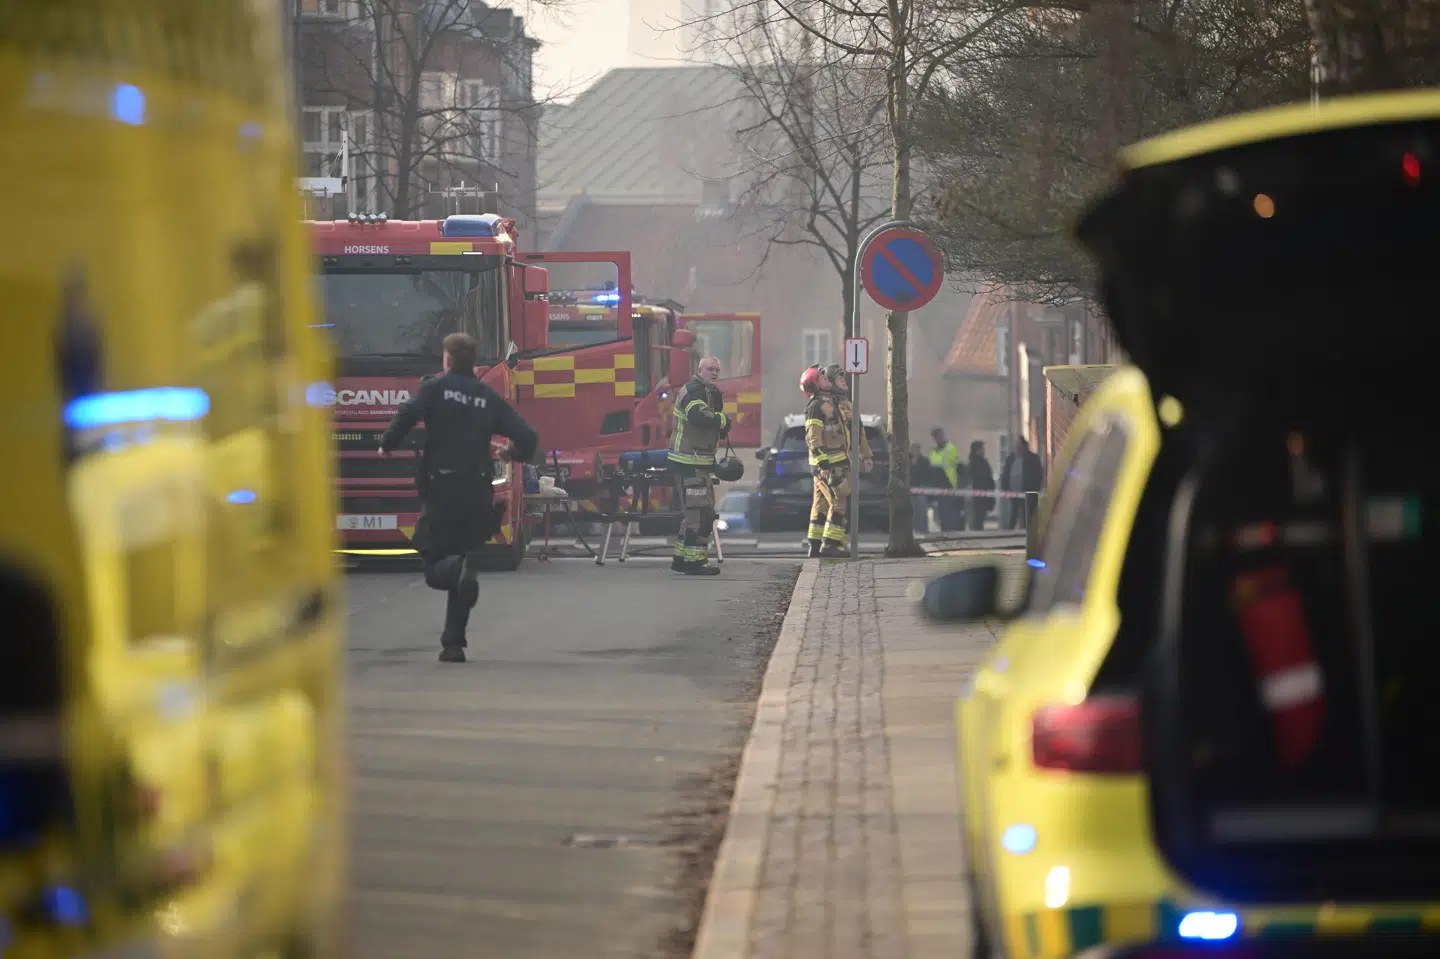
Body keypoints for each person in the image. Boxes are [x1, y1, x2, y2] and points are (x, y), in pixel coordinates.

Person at [378, 332, 539, 663]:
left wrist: (387, 444)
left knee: (436, 562)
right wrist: (511, 453)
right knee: (463, 559)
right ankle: (453, 644)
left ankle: (456, 572)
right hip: (478, 492)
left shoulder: (434, 388)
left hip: (443, 490)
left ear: (448, 360)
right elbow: (529, 436)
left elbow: (407, 414)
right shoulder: (487, 397)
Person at [668, 354, 730, 575]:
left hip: (699, 460)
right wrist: (723, 420)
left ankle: (680, 558)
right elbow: (699, 417)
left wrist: (720, 421)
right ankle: (695, 562)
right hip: (688, 461)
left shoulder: (710, 392)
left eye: (717, 370)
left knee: (697, 512)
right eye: (710, 369)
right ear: (700, 370)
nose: (714, 373)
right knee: (700, 514)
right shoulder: (693, 390)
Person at [804, 364, 873, 558]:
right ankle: (831, 545)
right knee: (838, 501)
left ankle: (816, 545)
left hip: (835, 463)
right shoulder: (819, 406)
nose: (843, 382)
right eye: (835, 379)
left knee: (821, 505)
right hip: (830, 465)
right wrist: (822, 463)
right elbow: (814, 437)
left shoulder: (834, 404)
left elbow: (854, 432)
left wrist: (865, 454)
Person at [1000, 436, 1045, 529]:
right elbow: (1005, 473)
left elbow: (1038, 475)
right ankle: (1010, 531)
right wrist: (1004, 486)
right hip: (1013, 492)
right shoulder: (1011, 458)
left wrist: (1034, 488)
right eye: (1016, 445)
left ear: (1024, 446)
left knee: (1028, 515)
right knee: (1014, 513)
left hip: (1028, 492)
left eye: (1019, 445)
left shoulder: (1033, 458)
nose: (1017, 448)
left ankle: (1028, 531)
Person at [929, 428, 963, 532]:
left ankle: (952, 532)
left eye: (938, 436)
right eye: (935, 437)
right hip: (938, 486)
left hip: (950, 484)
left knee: (950, 513)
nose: (937, 439)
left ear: (942, 435)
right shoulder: (934, 451)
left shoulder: (950, 448)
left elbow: (957, 465)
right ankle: (945, 531)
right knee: (942, 513)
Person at [967, 439, 996, 531]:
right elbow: (980, 478)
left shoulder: (982, 461)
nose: (983, 450)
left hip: (985, 494)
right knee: (978, 518)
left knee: (981, 517)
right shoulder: (975, 463)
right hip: (979, 495)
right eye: (981, 448)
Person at [909, 443, 934, 534]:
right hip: (910, 489)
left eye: (916, 449)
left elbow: (927, 474)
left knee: (922, 510)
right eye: (913, 449)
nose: (914, 451)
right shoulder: (907, 460)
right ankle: (913, 529)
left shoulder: (924, 461)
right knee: (912, 510)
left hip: (921, 488)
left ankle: (923, 530)